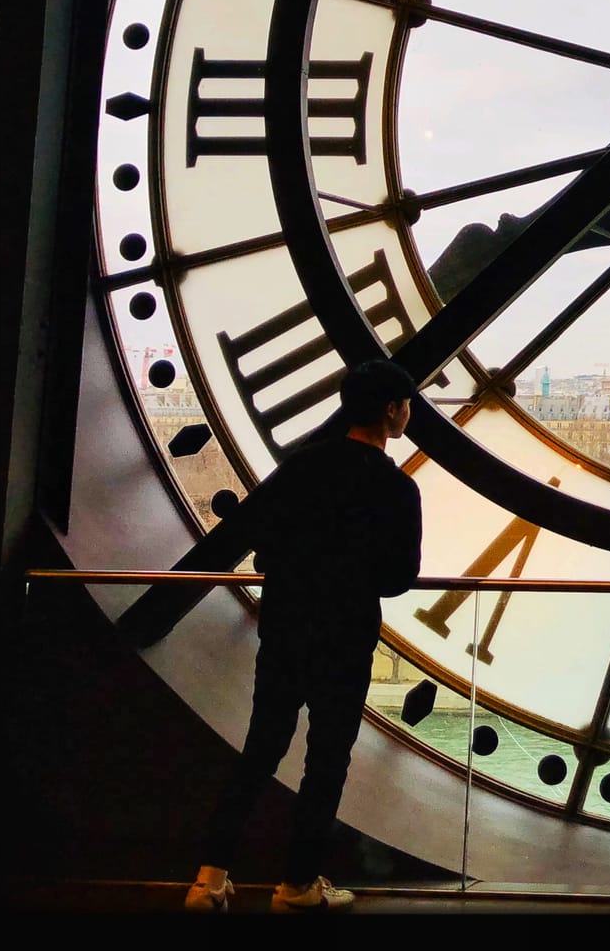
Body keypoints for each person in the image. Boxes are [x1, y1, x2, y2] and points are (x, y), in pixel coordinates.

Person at [184, 358, 424, 913]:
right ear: (390, 411)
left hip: (287, 627)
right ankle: (297, 884)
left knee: (260, 749)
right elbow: (398, 579)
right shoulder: (396, 489)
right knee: (326, 763)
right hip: (345, 637)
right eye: (407, 404)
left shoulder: (300, 469)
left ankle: (210, 876)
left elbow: (260, 540)